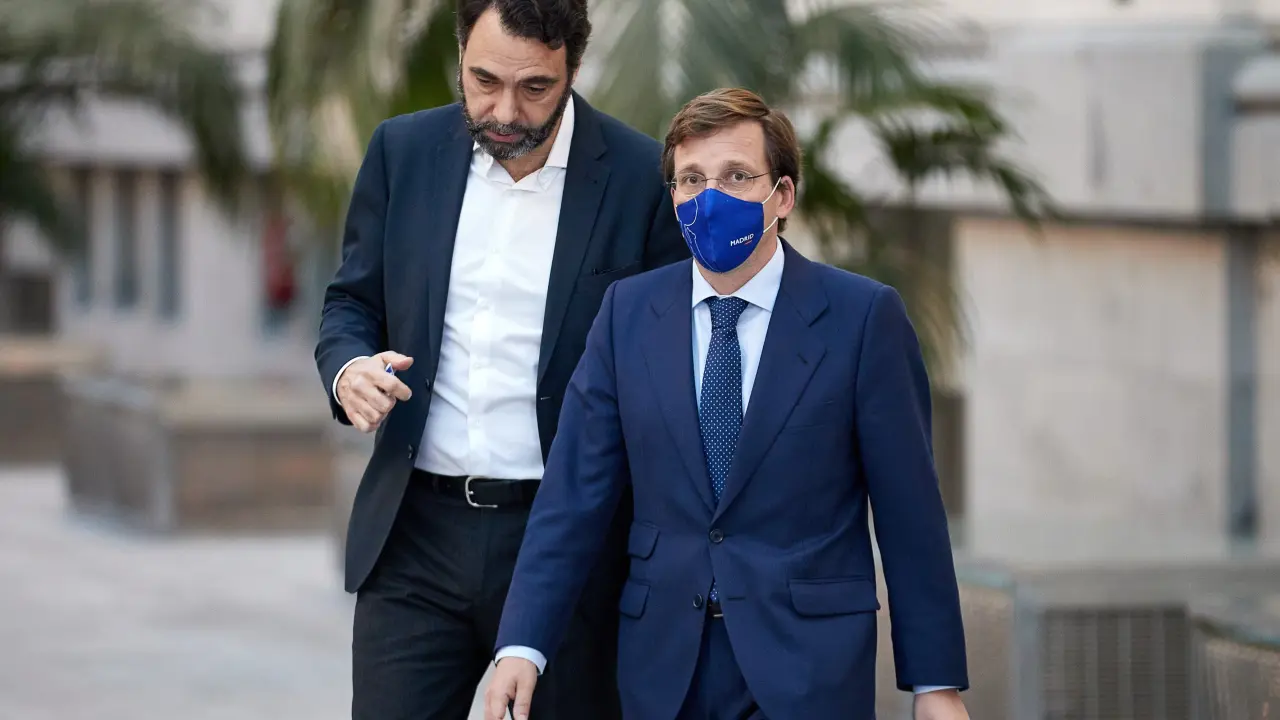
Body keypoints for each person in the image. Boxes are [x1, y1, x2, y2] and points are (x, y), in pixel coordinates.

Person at [484, 88, 970, 720]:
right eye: (692, 179)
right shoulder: (627, 314)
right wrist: (522, 644)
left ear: (783, 196)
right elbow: (573, 494)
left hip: (807, 668)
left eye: (737, 176)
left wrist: (935, 684)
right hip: (663, 666)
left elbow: (911, 514)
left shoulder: (862, 318)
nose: (710, 197)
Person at [314, 0, 688, 717]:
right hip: (414, 536)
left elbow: (670, 365)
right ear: (460, 54)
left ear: (573, 68)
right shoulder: (402, 152)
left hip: (570, 543)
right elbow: (350, 302)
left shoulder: (643, 178)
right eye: (484, 81)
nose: (505, 112)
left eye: (535, 87)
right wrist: (348, 368)